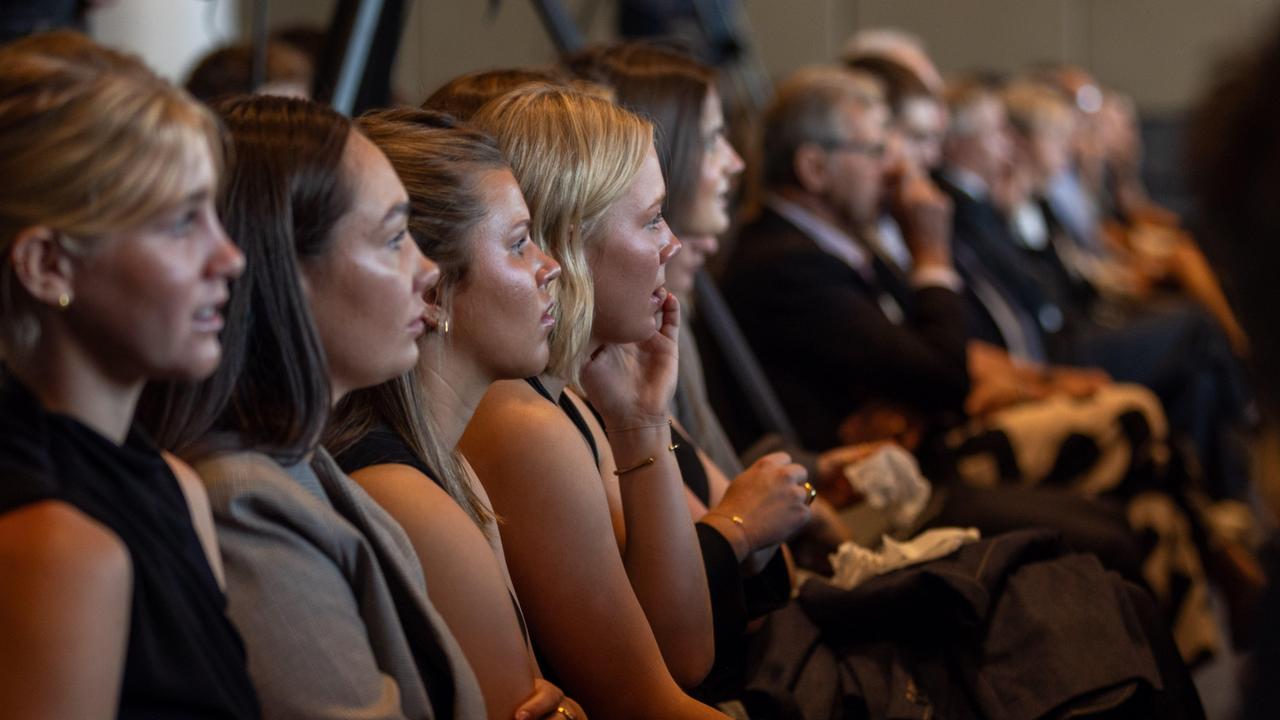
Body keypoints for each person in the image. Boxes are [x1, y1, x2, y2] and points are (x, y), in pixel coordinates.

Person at [140, 95, 566, 720]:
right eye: (394, 239)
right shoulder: (245, 502)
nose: (427, 271)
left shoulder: (302, 465)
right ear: (288, 272)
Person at [466, 83, 771, 719]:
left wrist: (642, 423)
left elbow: (682, 643)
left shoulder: (571, 392)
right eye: (653, 218)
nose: (673, 244)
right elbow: (675, 679)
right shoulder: (520, 420)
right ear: (571, 242)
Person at [0, 31, 259, 718]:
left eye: (215, 213)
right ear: (48, 266)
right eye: (180, 224)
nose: (229, 256)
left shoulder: (173, 484)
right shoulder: (57, 546)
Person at [326, 107, 585, 720]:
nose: (549, 268)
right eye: (519, 244)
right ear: (435, 289)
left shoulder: (451, 466)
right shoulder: (403, 494)